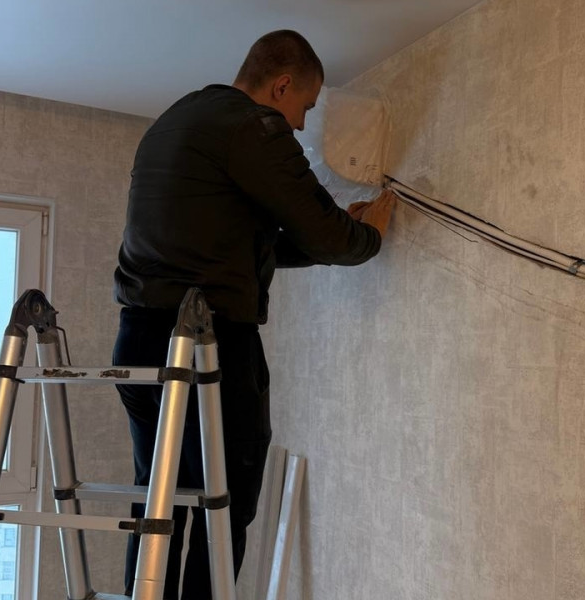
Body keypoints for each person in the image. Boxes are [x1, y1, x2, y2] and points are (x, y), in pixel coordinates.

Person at [112, 29, 395, 599]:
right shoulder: (255, 126)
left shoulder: (175, 120)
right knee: (223, 502)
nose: (301, 126)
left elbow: (249, 247)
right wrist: (370, 236)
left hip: (139, 342)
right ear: (281, 86)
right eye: (305, 108)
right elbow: (327, 237)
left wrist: (340, 229)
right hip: (204, 345)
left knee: (161, 499)